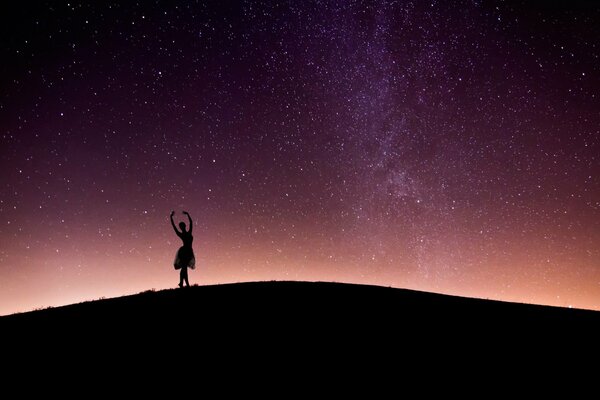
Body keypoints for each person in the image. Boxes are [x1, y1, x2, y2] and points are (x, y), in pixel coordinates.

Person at [170, 210, 195, 288]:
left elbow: (191, 223)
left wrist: (188, 214)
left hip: (188, 251)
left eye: (182, 226)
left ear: (184, 226)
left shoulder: (189, 232)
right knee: (184, 268)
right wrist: (171, 217)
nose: (182, 227)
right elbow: (174, 227)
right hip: (184, 251)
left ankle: (181, 283)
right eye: (181, 227)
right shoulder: (181, 234)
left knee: (184, 268)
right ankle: (186, 284)